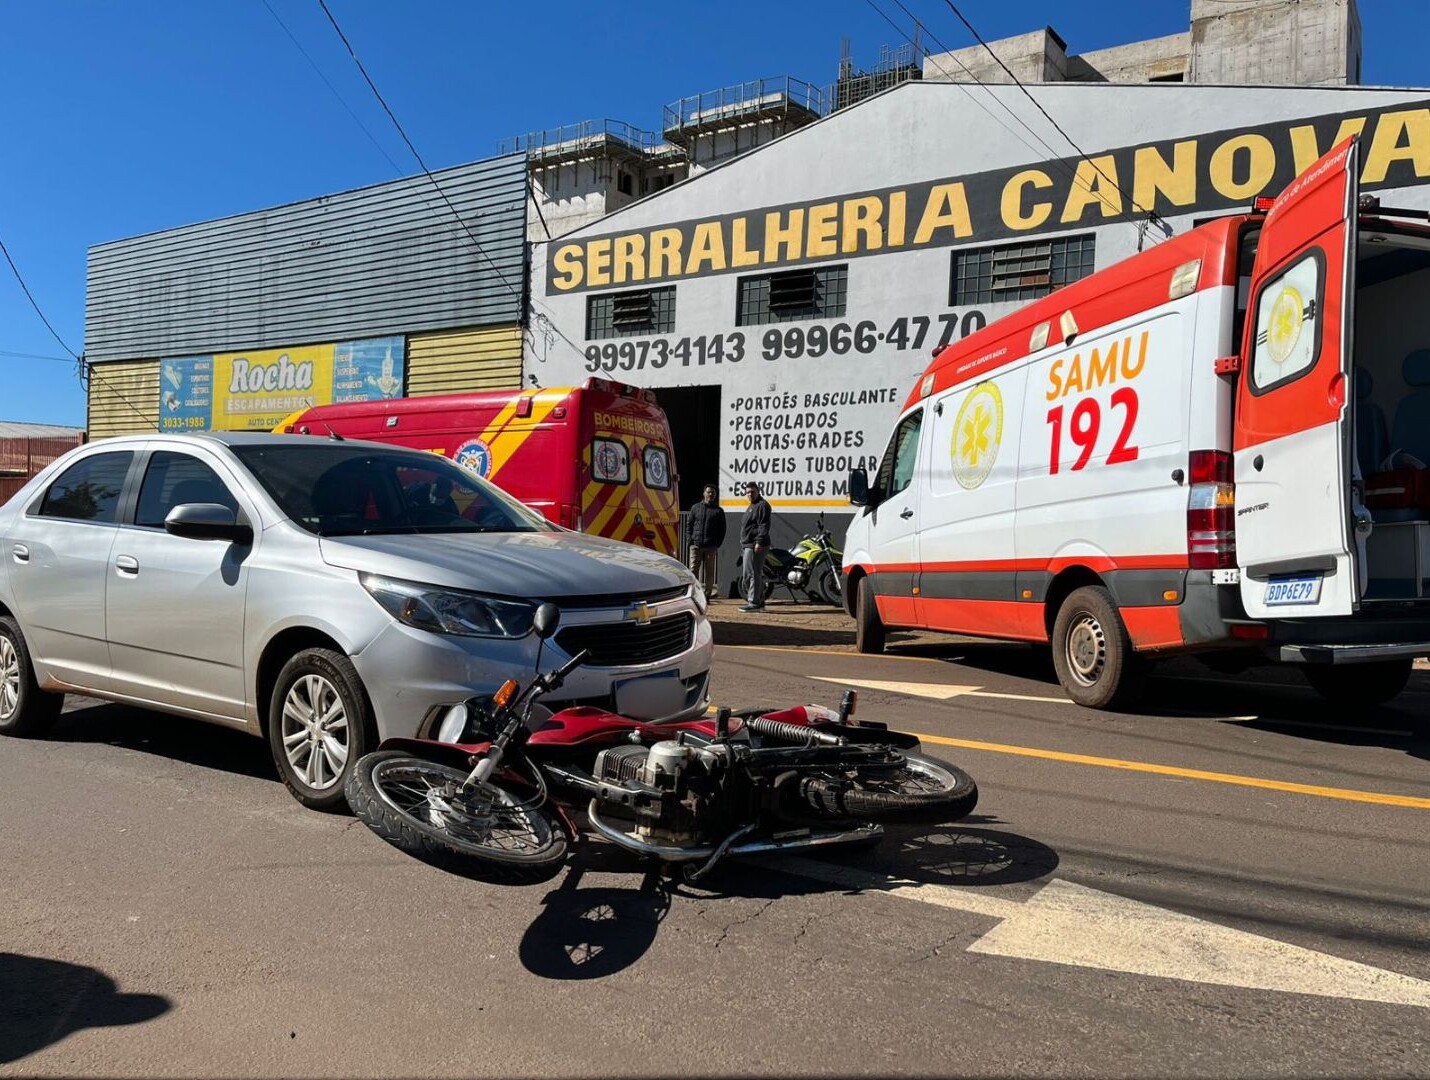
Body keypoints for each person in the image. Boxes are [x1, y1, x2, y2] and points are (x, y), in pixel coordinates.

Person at [687, 483, 725, 601]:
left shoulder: (718, 511)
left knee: (709, 572)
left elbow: (722, 529)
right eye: (708, 492)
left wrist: (717, 543)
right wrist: (690, 540)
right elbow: (689, 524)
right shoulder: (695, 508)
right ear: (704, 493)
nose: (711, 494)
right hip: (696, 545)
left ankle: (707, 595)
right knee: (693, 570)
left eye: (713, 493)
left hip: (710, 546)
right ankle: (693, 593)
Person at [739, 481, 771, 612]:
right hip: (748, 544)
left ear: (758, 491)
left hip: (755, 545)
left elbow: (764, 526)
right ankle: (760, 600)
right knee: (753, 574)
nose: (749, 494)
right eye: (747, 492)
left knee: (751, 575)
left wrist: (758, 541)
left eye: (752, 492)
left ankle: (754, 603)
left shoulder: (762, 505)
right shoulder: (752, 506)